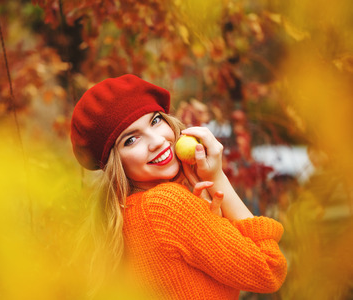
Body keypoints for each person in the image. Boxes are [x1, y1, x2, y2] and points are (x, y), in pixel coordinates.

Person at [70, 74, 287, 299]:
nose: (156, 141)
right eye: (131, 140)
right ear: (116, 162)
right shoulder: (166, 205)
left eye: (155, 121)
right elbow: (270, 269)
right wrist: (217, 177)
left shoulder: (122, 214)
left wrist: (212, 222)